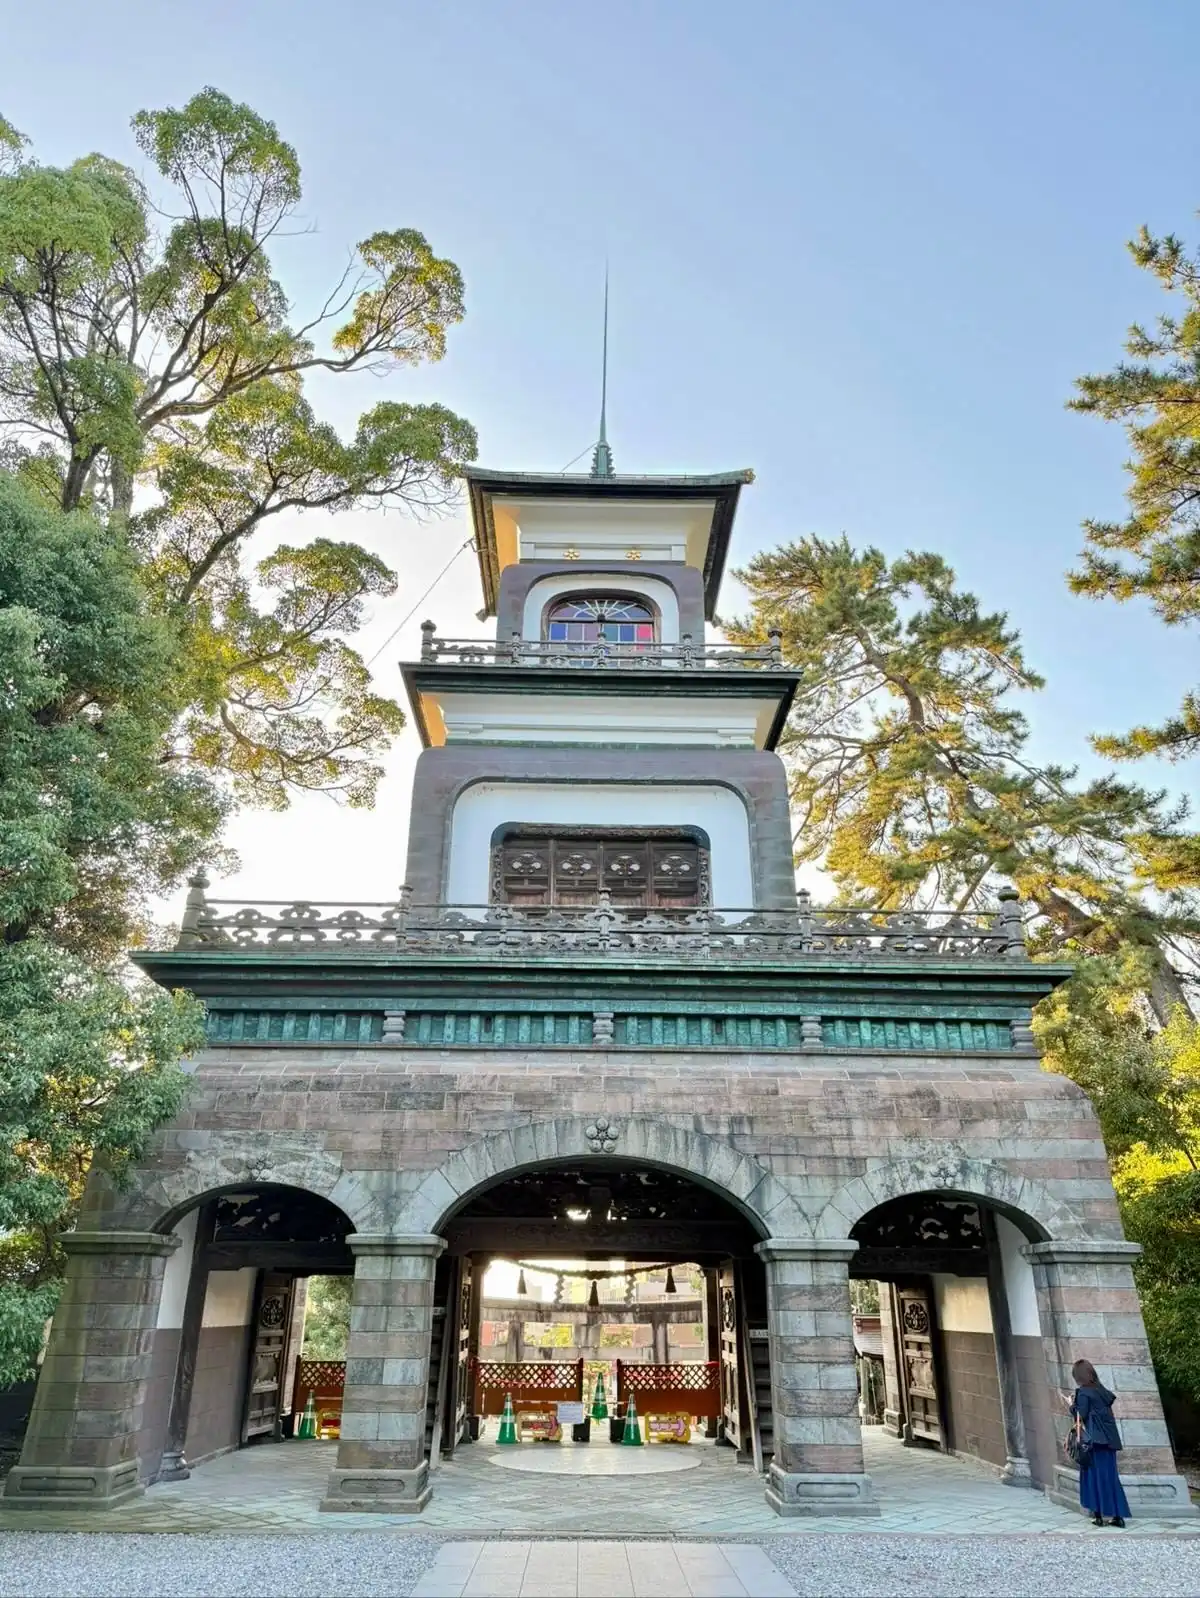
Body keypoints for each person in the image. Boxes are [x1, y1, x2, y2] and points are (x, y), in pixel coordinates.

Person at [1070, 1358, 1131, 1528]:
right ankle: (1118, 1516)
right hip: (1109, 1441)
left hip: (1094, 1442)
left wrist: (1071, 1405)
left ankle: (1098, 1516)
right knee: (1110, 1477)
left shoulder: (1083, 1393)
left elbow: (1080, 1416)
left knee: (1093, 1476)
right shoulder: (1102, 1391)